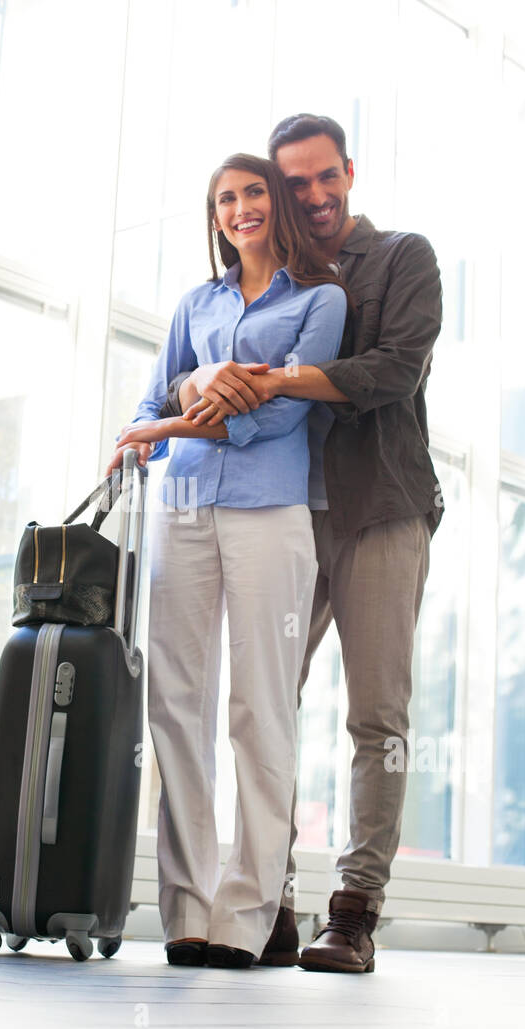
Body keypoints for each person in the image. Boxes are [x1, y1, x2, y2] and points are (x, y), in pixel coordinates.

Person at [164, 113, 443, 973]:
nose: (313, 195)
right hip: (279, 507)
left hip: (376, 506)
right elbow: (182, 376)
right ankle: (265, 897)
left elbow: (394, 370)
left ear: (349, 174)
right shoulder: (272, 285)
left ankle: (355, 909)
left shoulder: (400, 258)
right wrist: (204, 383)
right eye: (296, 184)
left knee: (376, 713)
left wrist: (270, 380)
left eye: (326, 177)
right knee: (265, 702)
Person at [107, 154, 347, 968]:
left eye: (251, 193)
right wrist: (202, 385)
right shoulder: (194, 305)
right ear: (215, 218)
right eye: (224, 199)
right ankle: (187, 911)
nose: (240, 208)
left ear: (274, 204)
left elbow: (277, 419)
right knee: (176, 703)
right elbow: (150, 398)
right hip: (182, 507)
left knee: (259, 709)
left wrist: (175, 422)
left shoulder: (323, 301)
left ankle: (246, 917)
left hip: (269, 513)